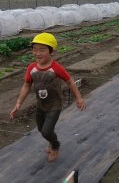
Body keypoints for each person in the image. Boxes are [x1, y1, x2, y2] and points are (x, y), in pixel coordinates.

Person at [9, 32, 86, 163]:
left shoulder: (56, 68)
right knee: (41, 129)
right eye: (34, 50)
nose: (37, 53)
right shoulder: (31, 68)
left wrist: (79, 98)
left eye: (42, 50)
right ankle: (51, 141)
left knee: (46, 131)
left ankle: (55, 146)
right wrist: (18, 103)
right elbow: (26, 86)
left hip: (54, 105)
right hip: (41, 105)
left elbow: (70, 82)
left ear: (52, 51)